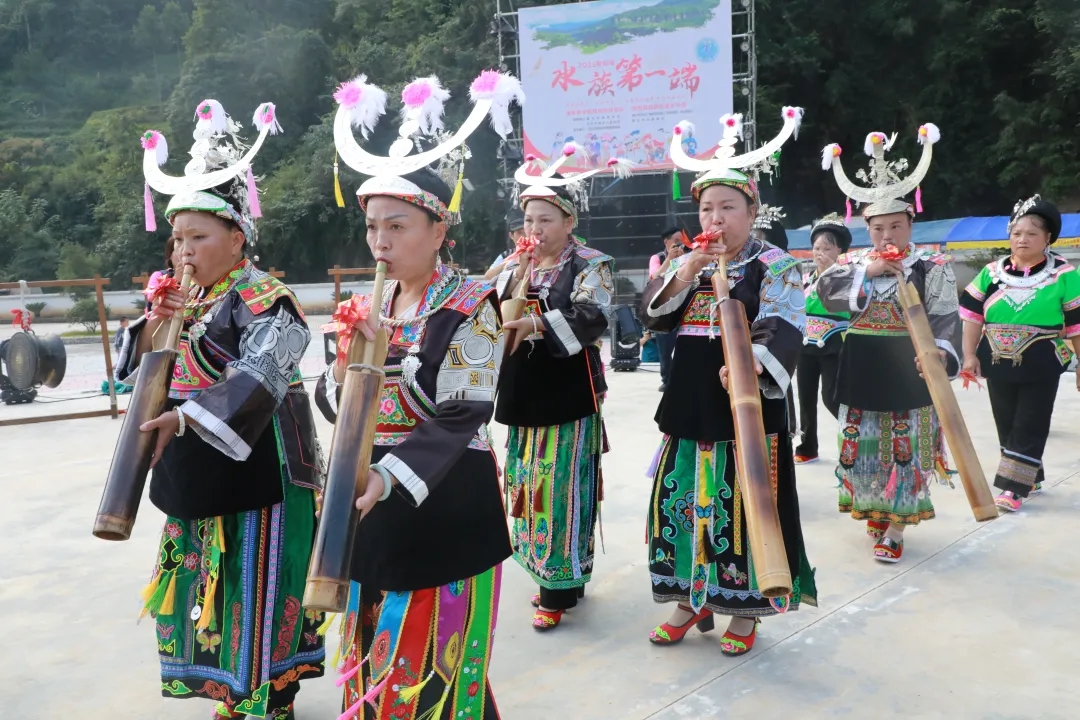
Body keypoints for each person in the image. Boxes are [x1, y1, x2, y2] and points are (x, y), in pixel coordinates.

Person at [317, 70, 520, 719]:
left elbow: (465, 411)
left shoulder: (469, 306)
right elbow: (332, 403)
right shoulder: (360, 306)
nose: (380, 241)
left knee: (433, 662)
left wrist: (387, 476)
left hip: (444, 506)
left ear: (438, 231)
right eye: (374, 226)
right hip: (369, 508)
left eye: (397, 226)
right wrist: (350, 365)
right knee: (381, 654)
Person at [120, 100, 325, 720]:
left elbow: (260, 376)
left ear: (237, 238)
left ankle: (268, 693)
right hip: (194, 468)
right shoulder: (185, 298)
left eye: (199, 237)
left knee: (258, 577)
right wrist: (157, 325)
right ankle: (229, 687)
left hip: (260, 466)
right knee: (205, 578)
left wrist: (184, 417)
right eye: (177, 237)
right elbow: (139, 369)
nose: (183, 251)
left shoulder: (268, 298)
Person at [643, 108, 816, 656]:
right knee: (683, 502)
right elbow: (652, 314)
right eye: (706, 208)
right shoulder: (690, 262)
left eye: (727, 207)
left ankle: (746, 607)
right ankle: (690, 598)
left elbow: (786, 322)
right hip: (689, 404)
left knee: (739, 507)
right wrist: (688, 268)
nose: (715, 218)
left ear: (752, 210)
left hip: (744, 406)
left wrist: (752, 362)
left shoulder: (776, 264)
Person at [817, 124, 957, 563]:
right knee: (863, 444)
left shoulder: (931, 265)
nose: (887, 236)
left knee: (907, 446)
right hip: (862, 367)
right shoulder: (853, 263)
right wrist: (870, 272)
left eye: (896, 225)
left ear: (911, 222)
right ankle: (876, 509)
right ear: (867, 228)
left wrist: (939, 356)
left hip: (910, 367)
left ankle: (897, 528)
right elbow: (825, 292)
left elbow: (946, 319)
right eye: (878, 228)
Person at [495, 147, 618, 631]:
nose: (535, 230)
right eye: (529, 219)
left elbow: (592, 317)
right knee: (527, 482)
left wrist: (536, 324)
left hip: (568, 389)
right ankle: (552, 575)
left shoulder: (592, 263)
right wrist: (514, 279)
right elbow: (494, 315)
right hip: (524, 388)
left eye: (545, 219)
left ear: (569, 220)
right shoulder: (514, 263)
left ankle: (559, 586)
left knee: (560, 484)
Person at [958, 195, 1080, 512]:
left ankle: (1014, 487)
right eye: (1016, 233)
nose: (1022, 239)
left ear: (1048, 238)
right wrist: (969, 355)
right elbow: (972, 318)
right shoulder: (990, 273)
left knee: (1030, 421)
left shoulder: (1065, 275)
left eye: (1031, 233)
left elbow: (1077, 326)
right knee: (1007, 421)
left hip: (1042, 359)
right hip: (996, 358)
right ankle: (1031, 476)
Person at [794, 214, 852, 463]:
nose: (820, 253)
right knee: (805, 397)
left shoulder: (846, 276)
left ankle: (854, 434)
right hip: (806, 345)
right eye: (817, 248)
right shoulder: (807, 279)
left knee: (830, 395)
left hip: (833, 343)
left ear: (839, 250)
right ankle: (807, 448)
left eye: (827, 248)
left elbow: (839, 306)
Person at [648, 227, 685, 390]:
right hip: (664, 310)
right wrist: (669, 259)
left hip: (683, 307)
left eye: (682, 240)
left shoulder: (688, 255)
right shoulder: (657, 258)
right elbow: (654, 277)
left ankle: (682, 378)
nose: (680, 244)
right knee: (665, 348)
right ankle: (666, 380)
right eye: (676, 241)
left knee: (684, 346)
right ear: (666, 242)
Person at [484, 208, 526, 281]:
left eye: (526, 232)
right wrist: (508, 262)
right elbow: (488, 276)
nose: (524, 236)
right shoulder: (506, 255)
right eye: (519, 233)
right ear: (511, 235)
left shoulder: (537, 253)